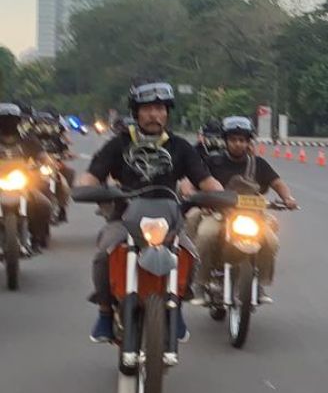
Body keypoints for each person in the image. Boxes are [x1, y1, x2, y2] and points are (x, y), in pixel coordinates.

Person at [78, 81, 223, 344]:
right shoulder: (118, 145)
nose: (155, 115)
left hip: (169, 220)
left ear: (168, 113)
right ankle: (105, 313)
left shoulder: (180, 146)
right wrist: (86, 189)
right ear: (136, 113)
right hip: (124, 219)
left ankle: (176, 305)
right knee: (102, 255)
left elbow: (205, 180)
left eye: (160, 108)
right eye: (147, 109)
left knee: (191, 254)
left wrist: (220, 195)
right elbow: (91, 176)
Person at [186, 116, 297, 307]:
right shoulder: (213, 161)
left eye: (243, 140)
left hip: (253, 216)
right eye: (234, 139)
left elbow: (278, 183)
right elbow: (189, 183)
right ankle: (200, 283)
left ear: (248, 142)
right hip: (219, 214)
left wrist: (288, 198)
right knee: (205, 235)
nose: (238, 144)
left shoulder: (258, 164)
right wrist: (195, 196)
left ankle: (259, 285)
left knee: (271, 242)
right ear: (226, 140)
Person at [0, 103, 54, 252]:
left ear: (18, 121)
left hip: (23, 184)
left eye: (11, 120)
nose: (7, 123)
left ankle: (37, 239)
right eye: (4, 119)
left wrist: (45, 164)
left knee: (44, 205)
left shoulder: (28, 140)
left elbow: (43, 157)